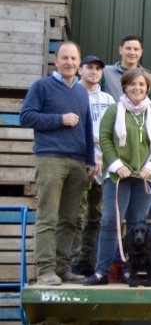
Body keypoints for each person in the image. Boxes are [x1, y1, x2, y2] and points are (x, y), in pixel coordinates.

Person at [84, 68, 151, 286]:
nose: (137, 88)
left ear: (148, 88)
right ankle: (102, 271)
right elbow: (104, 138)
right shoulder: (114, 110)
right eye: (133, 84)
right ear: (125, 86)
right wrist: (116, 164)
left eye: (142, 85)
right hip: (119, 176)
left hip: (146, 177)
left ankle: (130, 272)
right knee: (111, 222)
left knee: (137, 225)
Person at [20, 41, 96, 285]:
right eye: (65, 58)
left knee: (70, 219)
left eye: (74, 59)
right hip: (51, 158)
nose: (70, 63)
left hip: (77, 163)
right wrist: (59, 119)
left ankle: (63, 269)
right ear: (56, 61)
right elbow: (26, 116)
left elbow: (87, 127)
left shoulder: (81, 91)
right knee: (48, 217)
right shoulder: (42, 86)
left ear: (79, 63)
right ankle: (45, 271)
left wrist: (91, 160)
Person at [73, 54, 114, 277]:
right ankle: (72, 260)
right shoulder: (73, 94)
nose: (93, 72)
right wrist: (90, 153)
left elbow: (114, 133)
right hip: (80, 163)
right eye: (89, 67)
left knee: (95, 217)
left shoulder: (108, 99)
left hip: (103, 167)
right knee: (76, 215)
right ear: (80, 70)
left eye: (98, 68)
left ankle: (85, 262)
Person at [101, 34, 151, 102]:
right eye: (128, 48)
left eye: (136, 49)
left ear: (141, 52)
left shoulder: (148, 76)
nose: (132, 52)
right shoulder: (105, 72)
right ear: (120, 50)